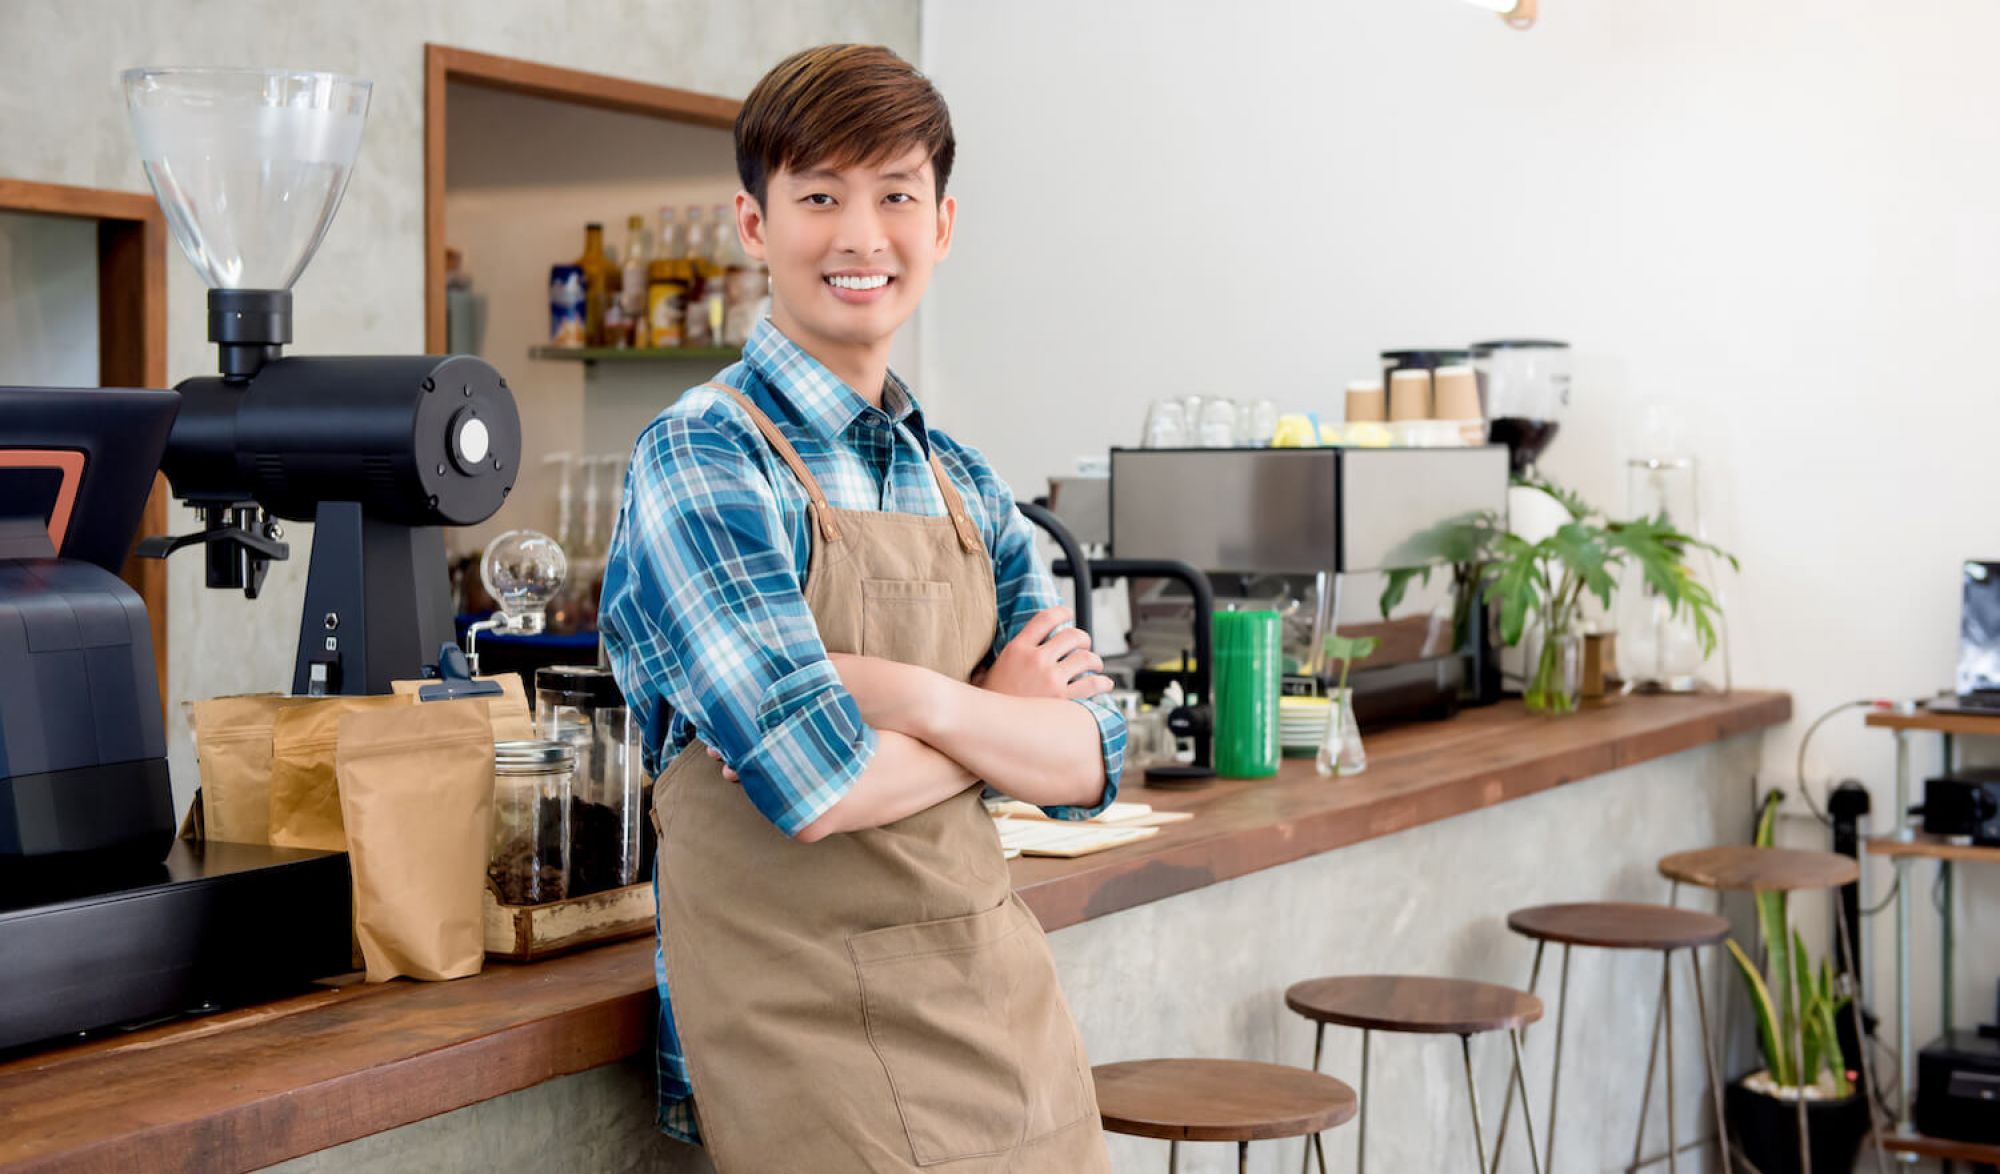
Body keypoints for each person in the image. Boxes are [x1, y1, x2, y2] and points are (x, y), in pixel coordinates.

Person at [599, 43, 1124, 1173]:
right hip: (809, 1046)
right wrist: (994, 720)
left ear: (940, 225)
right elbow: (815, 782)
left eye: (894, 196)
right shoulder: (703, 457)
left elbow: (1092, 760)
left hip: (1000, 1020)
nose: (859, 235)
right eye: (819, 196)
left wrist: (915, 697)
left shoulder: (965, 482)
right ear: (752, 223)